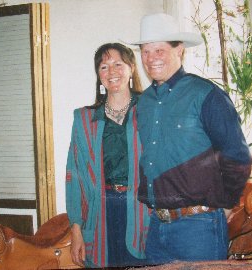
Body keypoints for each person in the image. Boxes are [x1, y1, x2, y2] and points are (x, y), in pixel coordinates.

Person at [130, 13, 252, 265]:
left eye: (159, 50)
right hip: (156, 226)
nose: (151, 58)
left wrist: (226, 204)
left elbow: (237, 156)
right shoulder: (144, 103)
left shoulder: (206, 94)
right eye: (146, 51)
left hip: (199, 228)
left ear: (180, 51)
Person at [65, 43, 150, 268]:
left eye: (118, 64)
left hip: (143, 215)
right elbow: (75, 175)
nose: (111, 72)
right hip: (100, 215)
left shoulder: (151, 110)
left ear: (131, 68)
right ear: (98, 76)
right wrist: (76, 228)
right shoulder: (84, 119)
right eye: (104, 67)